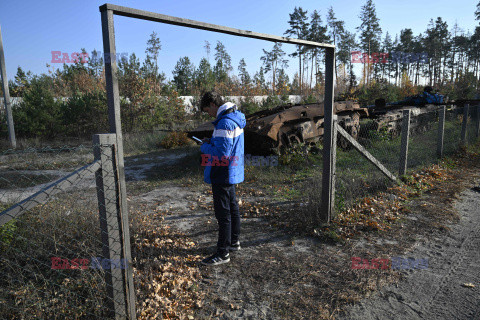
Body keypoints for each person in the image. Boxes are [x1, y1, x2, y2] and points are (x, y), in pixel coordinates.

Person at [198, 91, 246, 266]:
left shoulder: (225, 123)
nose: (208, 114)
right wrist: (211, 142)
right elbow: (227, 147)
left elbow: (222, 154)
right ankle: (234, 242)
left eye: (207, 110)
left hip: (222, 172)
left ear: (212, 104)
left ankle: (222, 253)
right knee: (232, 208)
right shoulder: (234, 117)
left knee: (223, 213)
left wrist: (204, 146)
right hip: (231, 171)